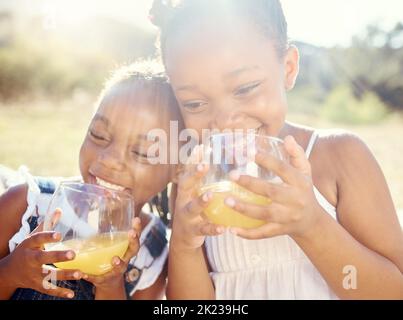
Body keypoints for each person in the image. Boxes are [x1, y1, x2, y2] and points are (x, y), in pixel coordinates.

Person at [151, 0, 403, 299]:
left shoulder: (340, 157)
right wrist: (184, 246)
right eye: (194, 103)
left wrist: (311, 225)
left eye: (245, 88)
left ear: (288, 68)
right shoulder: (196, 182)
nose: (225, 121)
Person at [0, 60, 181, 300]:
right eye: (98, 135)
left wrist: (110, 284)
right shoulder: (25, 206)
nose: (109, 160)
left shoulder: (151, 251)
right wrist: (11, 273)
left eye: (142, 152)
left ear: (178, 168)